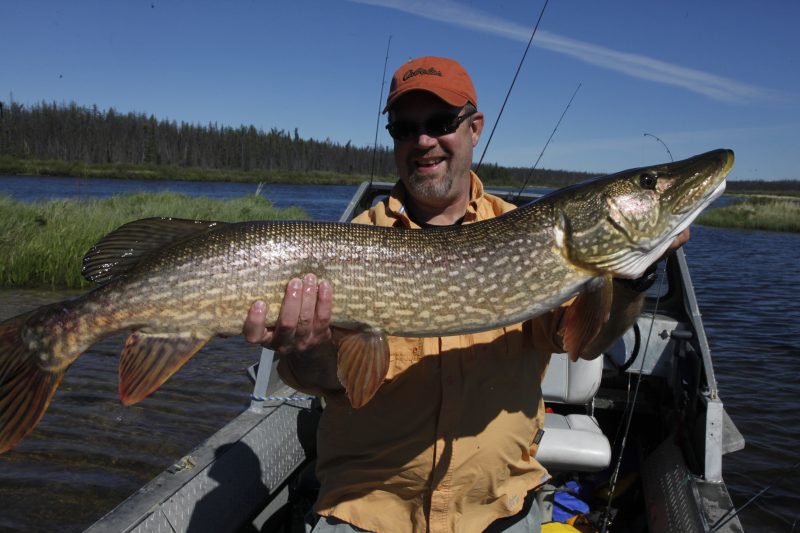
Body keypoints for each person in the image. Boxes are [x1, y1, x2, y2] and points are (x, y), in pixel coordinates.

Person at [243, 56, 689, 533]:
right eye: (404, 129)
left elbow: (583, 343)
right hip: (367, 509)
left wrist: (634, 279)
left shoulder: (526, 234)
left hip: (497, 510)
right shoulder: (354, 240)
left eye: (439, 123)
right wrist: (308, 352)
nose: (423, 141)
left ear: (475, 128)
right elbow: (333, 382)